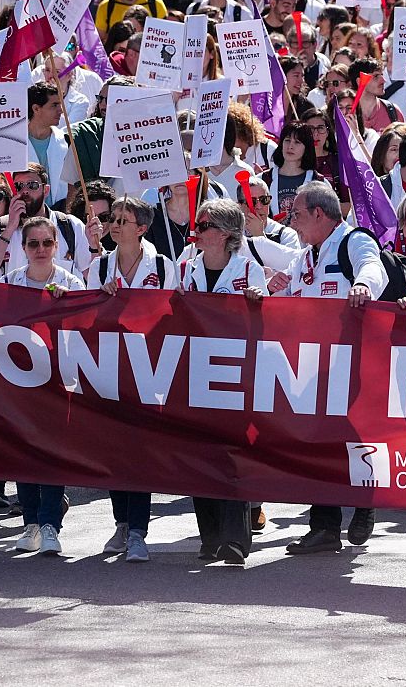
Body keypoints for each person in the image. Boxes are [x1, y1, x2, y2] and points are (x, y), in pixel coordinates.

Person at [269, 182, 385, 553]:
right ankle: (323, 527)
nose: (293, 223)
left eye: (298, 215)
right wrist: (269, 289)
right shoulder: (302, 257)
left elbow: (373, 266)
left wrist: (364, 285)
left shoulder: (354, 241)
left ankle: (366, 503)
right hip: (311, 368)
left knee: (353, 438)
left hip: (353, 364)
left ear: (319, 213)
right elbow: (284, 298)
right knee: (317, 443)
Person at [86, 195, 177, 560]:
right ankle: (121, 523)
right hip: (107, 366)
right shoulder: (100, 266)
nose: (115, 224)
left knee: (138, 452)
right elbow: (83, 315)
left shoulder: (162, 264)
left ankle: (139, 530)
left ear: (141, 228)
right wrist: (101, 299)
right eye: (114, 218)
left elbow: (173, 312)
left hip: (148, 367)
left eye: (124, 219)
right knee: (113, 449)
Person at [180, 199, 266, 565]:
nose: (198, 229)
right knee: (200, 454)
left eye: (206, 224)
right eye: (199, 223)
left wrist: (257, 305)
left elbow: (265, 327)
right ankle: (210, 536)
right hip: (194, 373)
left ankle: (234, 540)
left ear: (227, 234)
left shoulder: (250, 270)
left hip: (235, 375)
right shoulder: (185, 268)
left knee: (232, 455)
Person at [0, 217, 87, 556]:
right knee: (24, 452)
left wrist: (68, 306)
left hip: (58, 380)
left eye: (46, 243)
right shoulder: (9, 283)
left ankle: (51, 525)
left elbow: (87, 327)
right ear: (23, 248)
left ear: (57, 247)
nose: (39, 250)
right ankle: (31, 523)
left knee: (50, 453)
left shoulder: (71, 282)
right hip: (19, 380)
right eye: (33, 244)